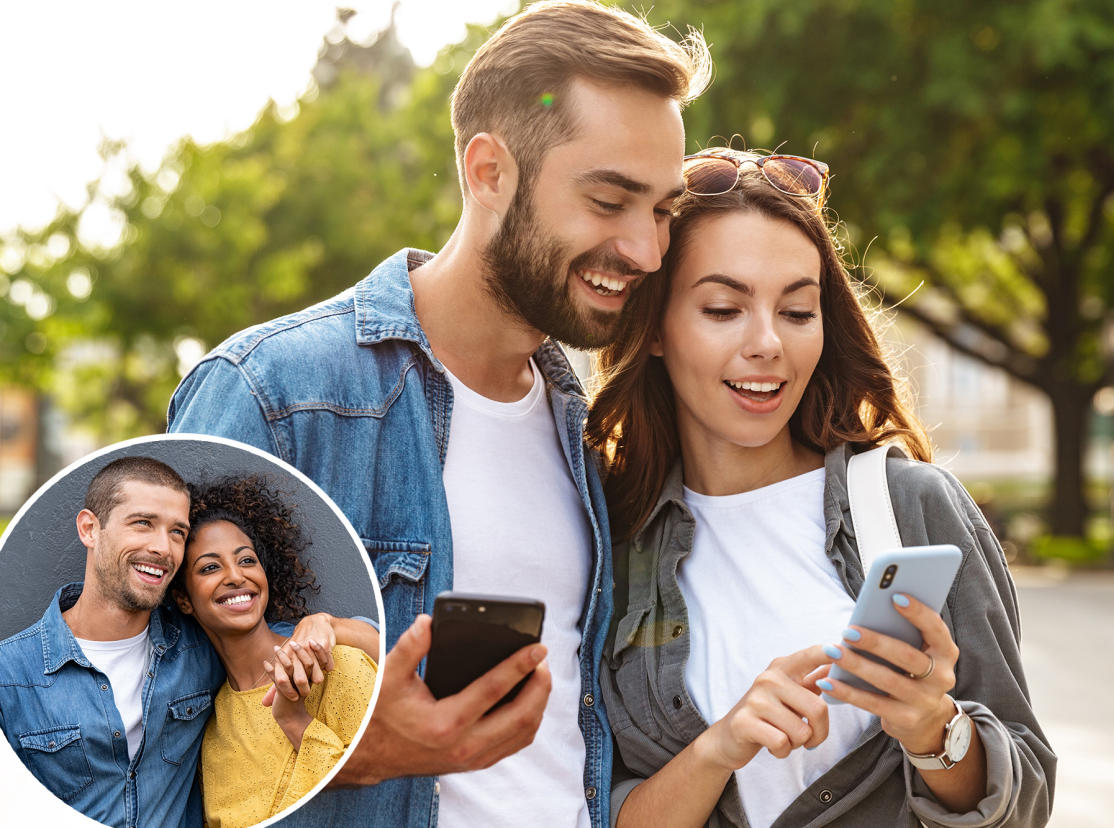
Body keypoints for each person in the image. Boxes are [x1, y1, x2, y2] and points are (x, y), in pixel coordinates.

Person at [166, 1, 711, 825]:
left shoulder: (588, 423)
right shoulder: (272, 392)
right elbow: (139, 749)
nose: (646, 250)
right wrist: (355, 756)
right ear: (489, 172)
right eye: (609, 201)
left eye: (663, 210)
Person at [586, 148, 1056, 827]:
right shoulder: (609, 536)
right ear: (656, 329)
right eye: (723, 309)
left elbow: (1027, 800)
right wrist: (720, 748)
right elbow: (593, 809)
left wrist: (937, 732)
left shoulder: (911, 506)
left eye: (798, 311)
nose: (768, 342)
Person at [0, 456, 373, 828]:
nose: (163, 548)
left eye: (176, 532)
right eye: (143, 523)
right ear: (90, 529)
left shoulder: (199, 653)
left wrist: (331, 624)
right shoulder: (10, 674)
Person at [170, 475, 376, 828]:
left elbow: (377, 798)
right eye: (209, 567)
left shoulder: (338, 666)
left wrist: (296, 721)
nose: (235, 576)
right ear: (184, 599)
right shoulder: (212, 730)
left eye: (247, 560)